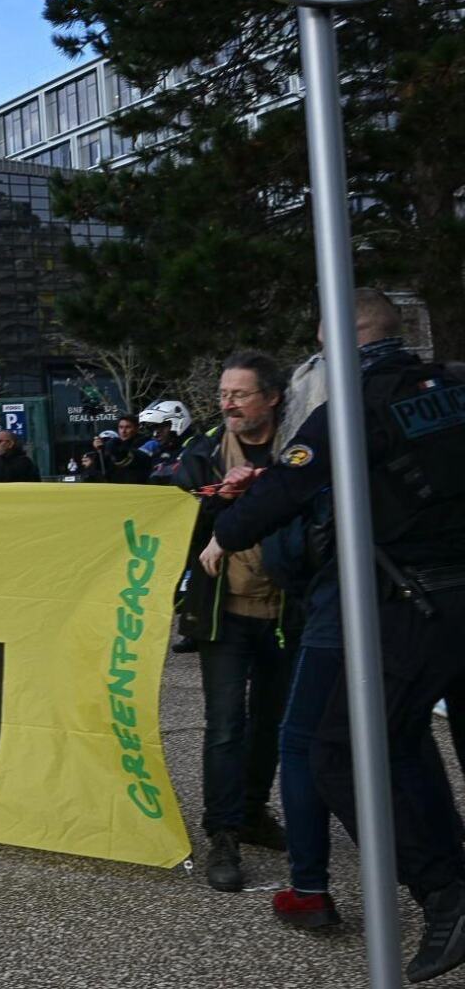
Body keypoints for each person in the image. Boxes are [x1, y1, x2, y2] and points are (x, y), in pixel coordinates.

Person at [207, 292, 465, 980]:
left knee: (340, 750)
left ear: (345, 340)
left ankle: (445, 892)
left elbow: (281, 495)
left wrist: (227, 527)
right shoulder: (451, 386)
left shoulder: (351, 404)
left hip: (412, 601)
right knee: (403, 739)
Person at [172, 350, 293, 893]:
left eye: (240, 394)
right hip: (224, 612)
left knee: (273, 721)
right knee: (225, 724)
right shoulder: (203, 453)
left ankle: (251, 811)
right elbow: (178, 524)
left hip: (287, 609)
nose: (228, 404)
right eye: (223, 394)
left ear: (272, 397)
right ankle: (221, 833)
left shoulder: (302, 447)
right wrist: (220, 500)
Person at [139, 400, 195, 485]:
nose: (156, 434)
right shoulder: (159, 451)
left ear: (178, 423)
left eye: (162, 426)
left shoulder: (194, 447)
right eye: (154, 428)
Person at [93, 416, 153, 484]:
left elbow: (136, 460)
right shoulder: (114, 444)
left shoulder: (145, 442)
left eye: (128, 427)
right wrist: (99, 452)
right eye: (121, 427)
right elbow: (100, 469)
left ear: (136, 428)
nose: (123, 431)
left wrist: (115, 450)